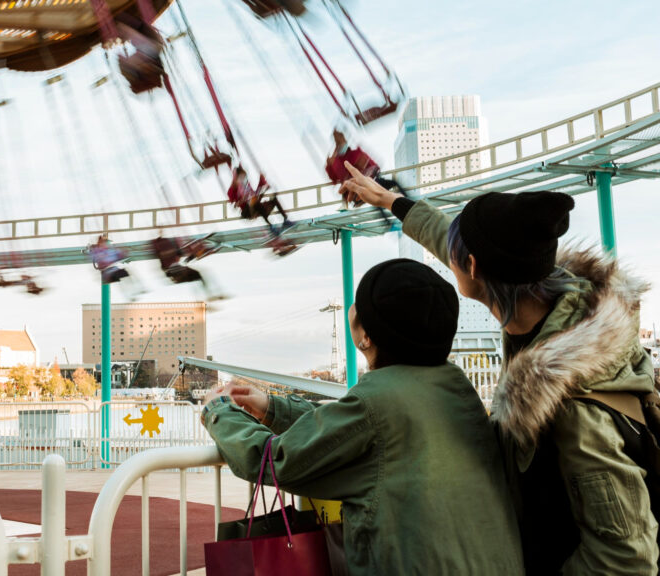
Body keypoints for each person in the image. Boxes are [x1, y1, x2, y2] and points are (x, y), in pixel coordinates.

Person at [340, 161, 659, 574]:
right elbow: (450, 239)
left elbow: (627, 558)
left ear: (472, 268)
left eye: (456, 254)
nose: (447, 255)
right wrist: (392, 202)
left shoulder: (578, 412)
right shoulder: (551, 296)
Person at [202, 259, 523, 575]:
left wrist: (218, 411)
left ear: (366, 336)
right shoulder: (454, 389)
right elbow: (363, 428)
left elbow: (276, 460)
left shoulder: (377, 404)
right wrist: (274, 408)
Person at [226, 166, 293, 234]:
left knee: (273, 199)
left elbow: (254, 194)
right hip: (247, 211)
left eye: (244, 177)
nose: (243, 179)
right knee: (255, 202)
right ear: (236, 178)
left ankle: (285, 220)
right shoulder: (232, 190)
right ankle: (271, 227)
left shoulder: (246, 185)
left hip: (256, 207)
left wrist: (263, 188)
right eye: (241, 177)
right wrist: (242, 200)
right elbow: (234, 206)